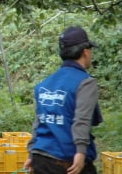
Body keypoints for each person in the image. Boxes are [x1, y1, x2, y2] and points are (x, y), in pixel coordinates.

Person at [24, 26, 103, 174]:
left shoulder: (44, 85)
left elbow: (39, 121)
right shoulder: (85, 82)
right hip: (67, 161)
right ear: (86, 52)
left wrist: (32, 153)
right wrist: (80, 152)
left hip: (41, 157)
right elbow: (82, 120)